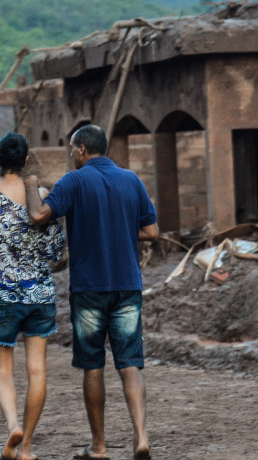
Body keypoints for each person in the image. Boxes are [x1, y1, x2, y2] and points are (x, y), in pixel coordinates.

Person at [24, 124, 158, 460]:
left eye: (72, 148)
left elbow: (39, 215)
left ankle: (99, 447)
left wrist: (30, 185)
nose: (72, 154)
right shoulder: (132, 180)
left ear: (82, 149)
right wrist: (120, 231)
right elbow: (152, 231)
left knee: (93, 366)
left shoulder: (74, 181)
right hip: (128, 285)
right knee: (130, 365)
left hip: (89, 289)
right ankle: (141, 437)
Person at [0, 132, 66, 460]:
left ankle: (12, 427)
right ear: (26, 161)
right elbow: (55, 251)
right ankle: (27, 448)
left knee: (2, 370)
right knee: (37, 370)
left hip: (1, 292)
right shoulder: (42, 197)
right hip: (39, 294)